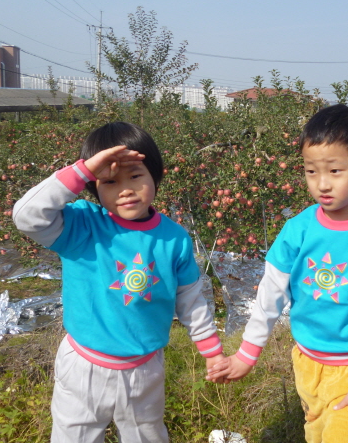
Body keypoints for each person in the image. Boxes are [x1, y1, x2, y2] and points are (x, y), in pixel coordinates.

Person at [207, 104, 348, 443]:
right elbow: (270, 294)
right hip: (305, 361)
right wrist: (247, 353)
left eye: (334, 170)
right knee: (315, 433)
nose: (322, 184)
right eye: (311, 171)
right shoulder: (297, 229)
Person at [14, 121, 224, 443]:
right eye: (109, 181)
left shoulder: (173, 239)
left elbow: (191, 301)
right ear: (94, 186)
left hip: (144, 368)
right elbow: (26, 216)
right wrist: (82, 170)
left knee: (147, 436)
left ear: (155, 175)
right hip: (84, 364)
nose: (125, 189)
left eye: (135, 176)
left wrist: (212, 353)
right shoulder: (81, 225)